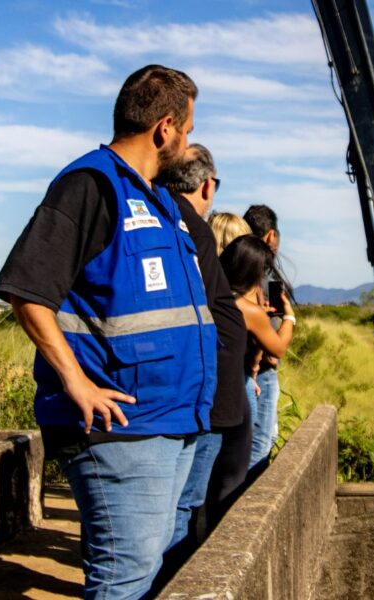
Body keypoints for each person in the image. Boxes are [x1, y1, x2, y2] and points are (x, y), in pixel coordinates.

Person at [0, 65, 214, 599]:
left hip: (176, 417)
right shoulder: (90, 185)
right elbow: (27, 288)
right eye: (186, 130)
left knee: (149, 568)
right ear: (165, 128)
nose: (188, 143)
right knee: (124, 579)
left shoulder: (159, 199)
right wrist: (77, 382)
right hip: (122, 428)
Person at [157, 144, 251, 562]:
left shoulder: (179, 224)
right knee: (182, 504)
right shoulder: (184, 227)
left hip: (205, 396)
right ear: (207, 184)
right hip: (204, 400)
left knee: (181, 503)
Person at [218, 234, 295, 472]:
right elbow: (278, 347)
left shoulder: (214, 297)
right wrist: (289, 316)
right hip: (239, 389)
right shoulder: (247, 309)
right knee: (245, 458)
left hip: (216, 391)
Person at [242, 205, 287, 467]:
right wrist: (289, 318)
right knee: (260, 444)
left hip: (251, 370)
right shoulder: (258, 273)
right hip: (261, 372)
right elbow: (275, 348)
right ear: (271, 236)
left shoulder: (237, 263)